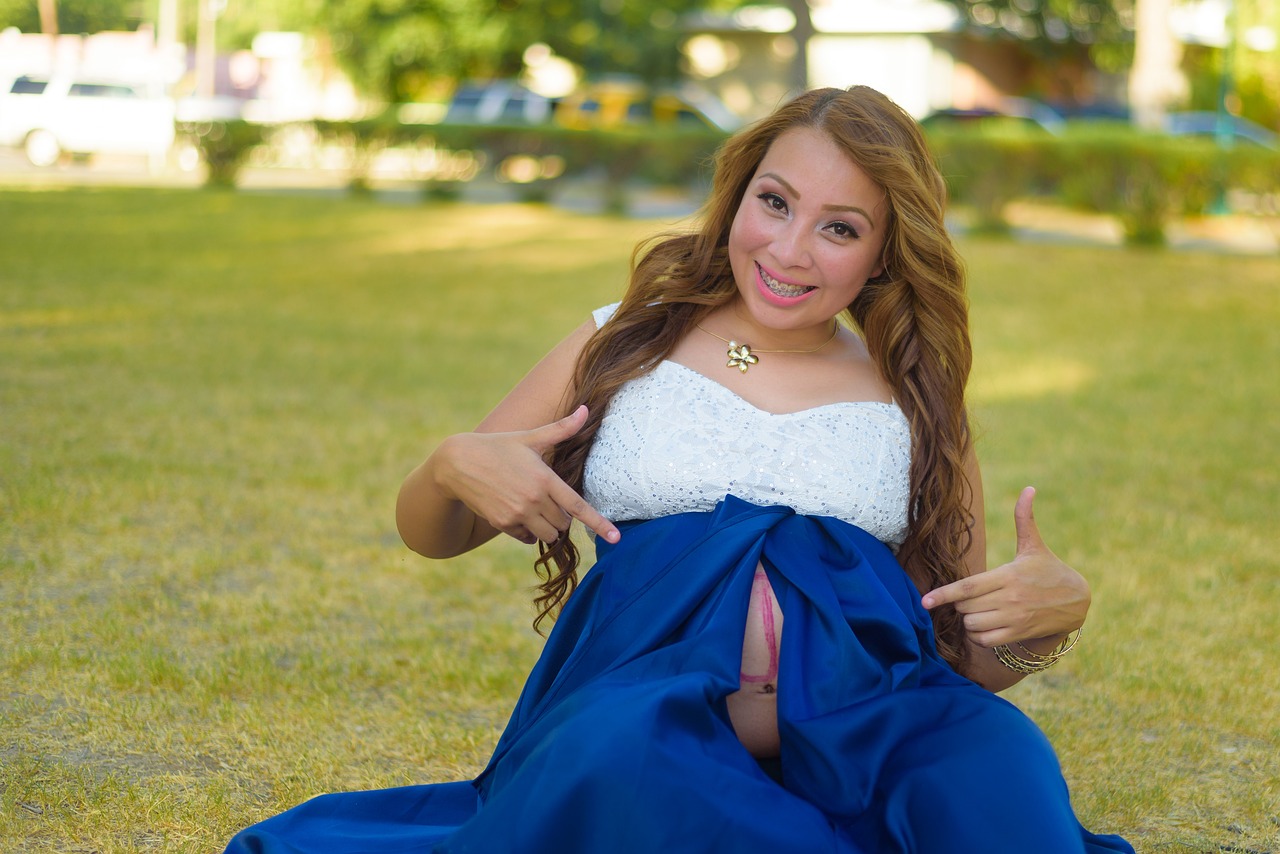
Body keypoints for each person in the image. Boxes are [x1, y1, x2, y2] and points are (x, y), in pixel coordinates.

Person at [225, 85, 1133, 853]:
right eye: (774, 203)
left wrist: (1050, 622)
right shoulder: (626, 339)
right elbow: (434, 533)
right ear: (737, 197)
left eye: (839, 227)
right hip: (644, 715)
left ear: (885, 252)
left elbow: (958, 654)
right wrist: (451, 465)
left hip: (876, 725)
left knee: (1001, 773)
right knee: (641, 781)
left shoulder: (918, 394)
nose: (788, 249)